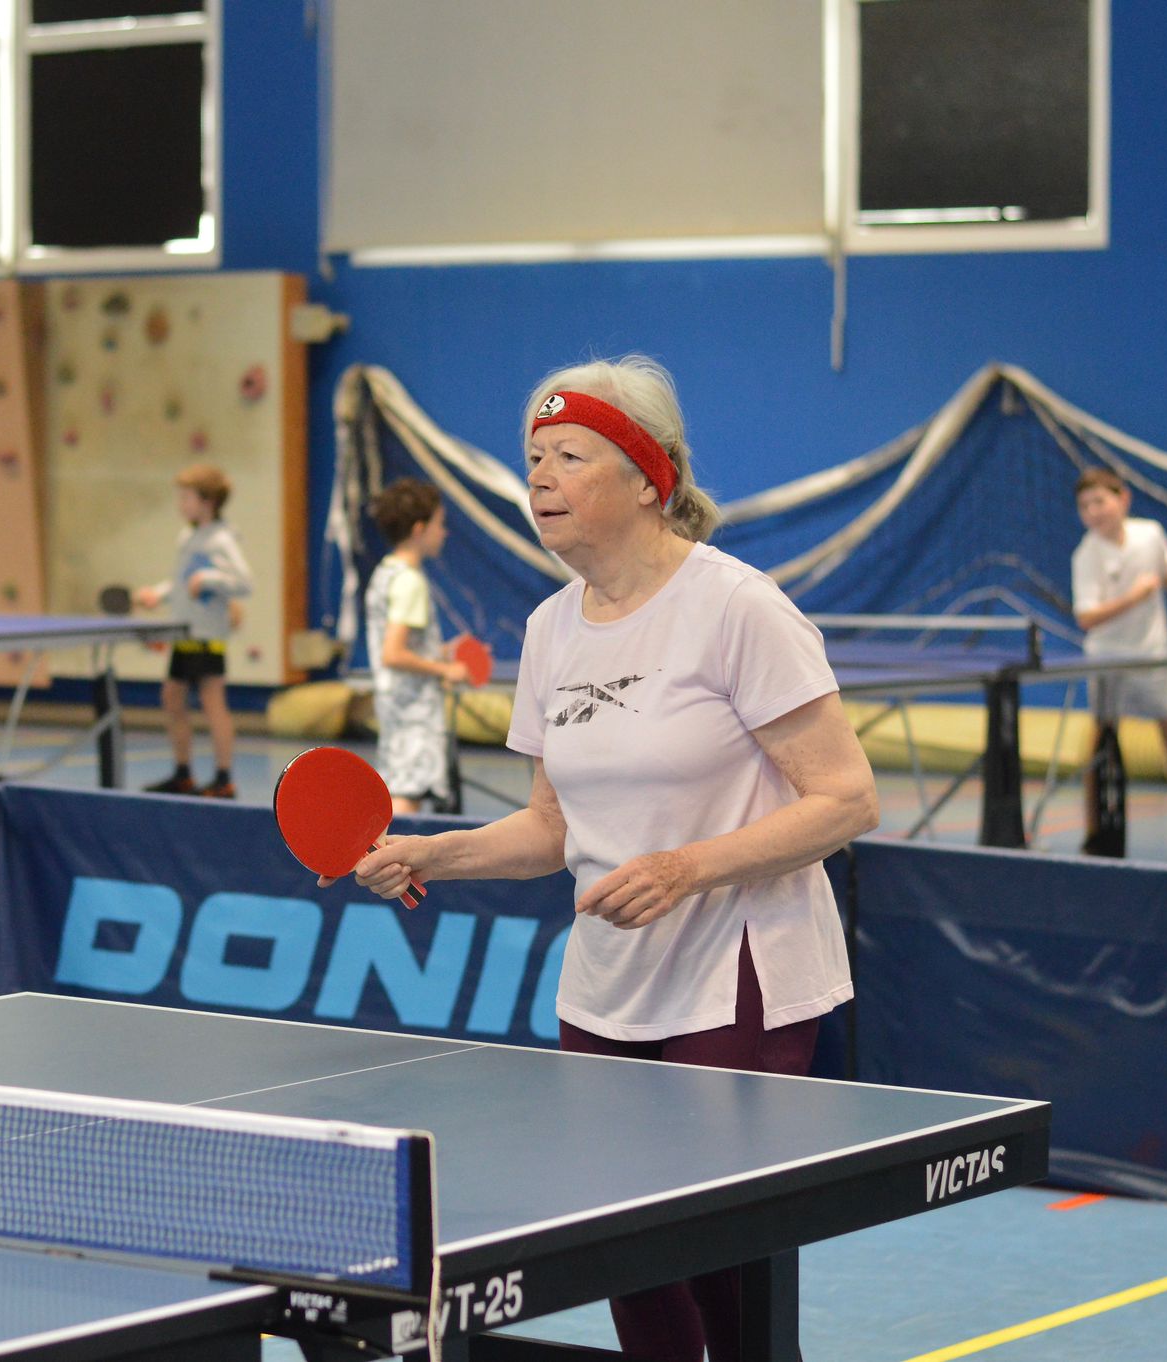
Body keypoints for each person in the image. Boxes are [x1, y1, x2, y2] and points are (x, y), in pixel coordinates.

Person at [326, 356, 878, 1362]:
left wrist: (685, 868)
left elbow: (846, 799)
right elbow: (552, 829)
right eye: (533, 456)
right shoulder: (550, 630)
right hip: (607, 985)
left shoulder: (737, 607)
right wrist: (435, 853)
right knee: (628, 1256)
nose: (540, 476)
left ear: (648, 477)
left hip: (738, 976)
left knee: (719, 1265)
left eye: (570, 456)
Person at [1070, 467, 1167, 864]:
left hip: (1155, 655)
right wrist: (1134, 598)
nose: (1093, 511)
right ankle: (1094, 833)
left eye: (1100, 501)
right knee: (1101, 743)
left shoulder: (1151, 534)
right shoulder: (1086, 556)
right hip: (1108, 659)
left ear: (1123, 499)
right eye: (1085, 506)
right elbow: (1086, 617)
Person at [136, 464, 253, 799]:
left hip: (208, 635)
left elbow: (244, 583)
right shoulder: (189, 537)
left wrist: (210, 579)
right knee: (172, 696)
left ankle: (224, 779)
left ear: (208, 502)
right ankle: (183, 774)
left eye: (187, 498)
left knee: (212, 700)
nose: (181, 504)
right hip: (185, 633)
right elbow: (183, 581)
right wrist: (158, 594)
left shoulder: (221, 539)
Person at [365, 480, 472, 815]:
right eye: (440, 524)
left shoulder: (385, 573)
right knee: (406, 793)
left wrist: (441, 652)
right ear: (419, 529)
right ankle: (393, 848)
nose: (445, 533)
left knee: (402, 784)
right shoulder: (410, 581)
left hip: (395, 703)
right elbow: (393, 653)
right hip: (413, 710)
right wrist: (446, 669)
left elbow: (397, 643)